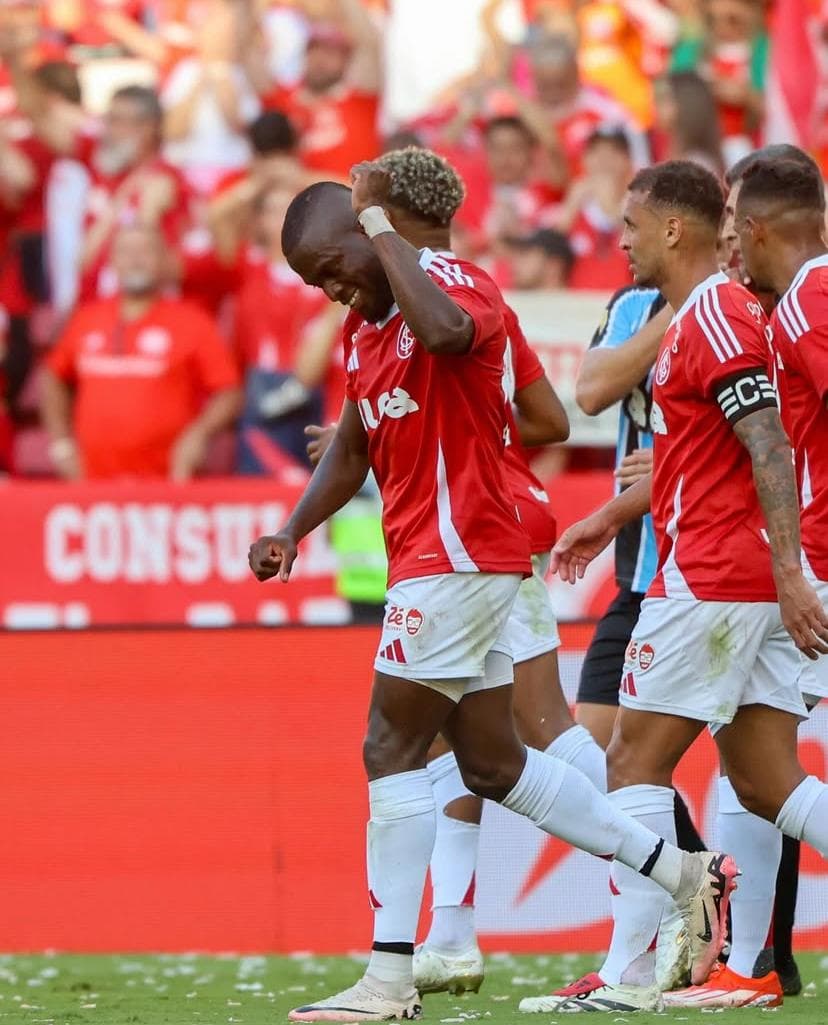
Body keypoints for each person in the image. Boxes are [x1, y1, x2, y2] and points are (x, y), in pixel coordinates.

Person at [248, 148, 736, 1022]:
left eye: (330, 267)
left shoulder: (453, 282)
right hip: (444, 555)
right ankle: (680, 872)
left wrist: (378, 227)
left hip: (460, 553)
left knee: (390, 748)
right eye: (313, 282)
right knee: (492, 761)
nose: (329, 291)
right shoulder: (366, 330)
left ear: (370, 232)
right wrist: (292, 527)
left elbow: (449, 338)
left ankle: (390, 976)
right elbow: (353, 447)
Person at [526, 159, 828, 1013]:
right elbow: (721, 452)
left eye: (630, 225)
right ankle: (734, 968)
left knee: (633, 759)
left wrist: (791, 568)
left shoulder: (718, 315)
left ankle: (628, 972)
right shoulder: (715, 314)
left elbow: (767, 441)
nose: (619, 240)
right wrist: (615, 514)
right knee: (764, 778)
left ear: (670, 229)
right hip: (745, 575)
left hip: (713, 578)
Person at [665, 153, 828, 1009]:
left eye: (736, 227)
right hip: (798, 563)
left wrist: (794, 567)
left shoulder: (805, 301)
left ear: (758, 229)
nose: (729, 245)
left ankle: (740, 961)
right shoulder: (791, 303)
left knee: (742, 765)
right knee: (754, 767)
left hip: (814, 564)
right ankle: (753, 964)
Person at [40, 223, 241, 480]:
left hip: (167, 483)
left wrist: (199, 434)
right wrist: (62, 446)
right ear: (112, 262)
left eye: (146, 250)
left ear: (165, 260)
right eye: (126, 251)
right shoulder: (85, 320)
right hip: (91, 484)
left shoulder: (193, 322)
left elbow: (229, 392)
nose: (135, 259)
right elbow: (52, 378)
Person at [260, 1, 382, 179]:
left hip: (348, 195)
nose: (320, 59)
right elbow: (247, 54)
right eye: (314, 50)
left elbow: (369, 45)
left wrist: (299, 178)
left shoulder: (361, 102)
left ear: (347, 60)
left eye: (330, 53)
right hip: (293, 196)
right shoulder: (283, 102)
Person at [501, 228, 573, 290]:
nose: (515, 263)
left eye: (525, 254)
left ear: (553, 265)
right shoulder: (513, 298)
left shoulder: (576, 300)